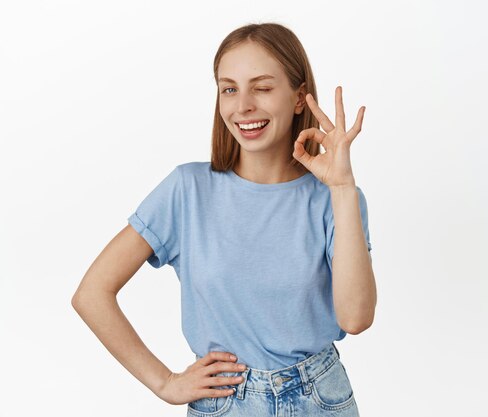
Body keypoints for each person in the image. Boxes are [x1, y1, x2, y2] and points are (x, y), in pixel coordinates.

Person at [72, 22, 376, 416]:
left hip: (318, 398)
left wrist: (342, 188)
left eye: (262, 88)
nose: (243, 105)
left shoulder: (336, 198)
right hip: (226, 401)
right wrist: (164, 382)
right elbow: (91, 293)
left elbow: (355, 318)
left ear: (300, 98)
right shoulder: (187, 189)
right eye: (229, 89)